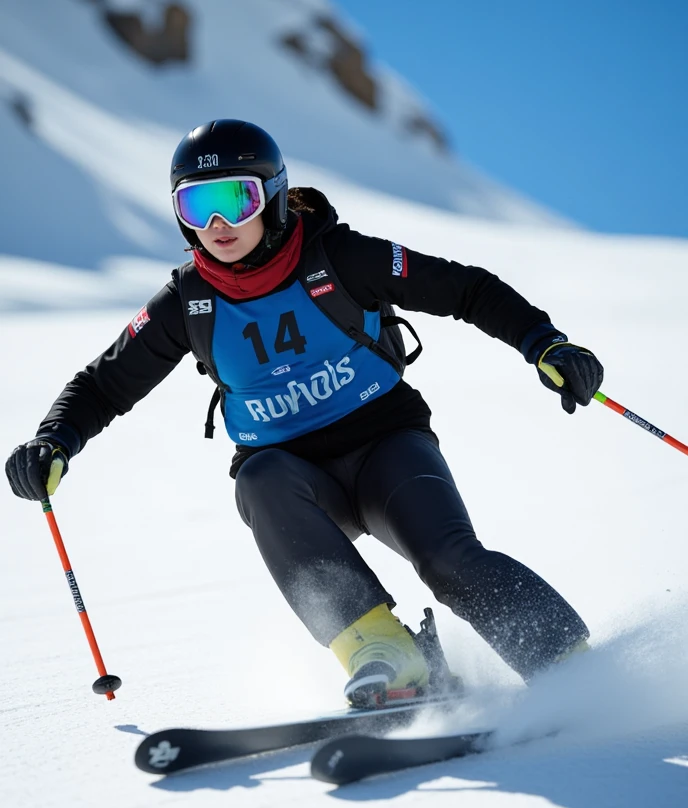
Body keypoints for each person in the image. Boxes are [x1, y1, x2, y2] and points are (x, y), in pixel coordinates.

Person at [6, 119, 603, 709]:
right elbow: (104, 384)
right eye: (196, 205)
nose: (217, 225)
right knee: (258, 479)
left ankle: (571, 667)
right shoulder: (187, 302)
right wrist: (53, 439)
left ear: (270, 193)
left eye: (233, 200)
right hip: (294, 479)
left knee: (449, 559)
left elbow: (465, 289)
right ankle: (388, 656)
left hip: (386, 446)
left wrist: (545, 343)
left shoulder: (342, 259)